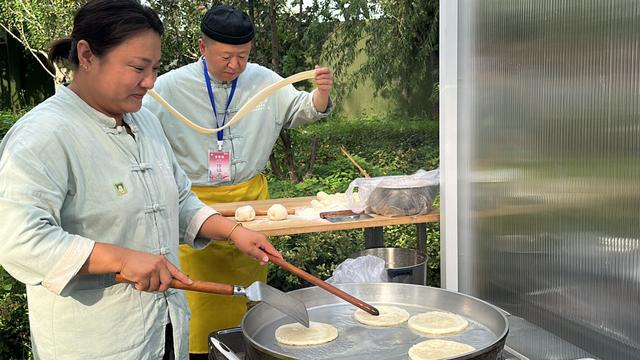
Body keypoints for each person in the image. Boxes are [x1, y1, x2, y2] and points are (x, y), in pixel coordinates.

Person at [0, 1, 279, 359]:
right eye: (137, 68)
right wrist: (121, 259)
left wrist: (232, 232)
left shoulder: (144, 122)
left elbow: (178, 198)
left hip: (163, 327)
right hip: (96, 340)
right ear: (86, 55)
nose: (149, 82)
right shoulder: (43, 135)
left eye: (154, 68)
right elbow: (18, 239)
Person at [143, 4, 334, 356]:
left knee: (251, 297)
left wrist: (321, 93)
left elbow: (303, 110)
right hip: (196, 206)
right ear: (203, 48)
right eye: (225, 56)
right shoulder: (168, 88)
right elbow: (137, 128)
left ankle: (249, 349)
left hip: (252, 204)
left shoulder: (264, 82)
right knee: (201, 300)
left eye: (242, 57)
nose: (234, 65)